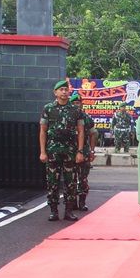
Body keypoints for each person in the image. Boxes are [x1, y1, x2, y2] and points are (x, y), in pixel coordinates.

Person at [39, 78, 86, 221]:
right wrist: (42, 151)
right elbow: (43, 131)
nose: (64, 92)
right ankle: (53, 211)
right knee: (52, 182)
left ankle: (69, 211)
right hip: (53, 151)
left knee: (70, 182)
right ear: (55, 92)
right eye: (61, 90)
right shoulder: (48, 108)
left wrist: (80, 151)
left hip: (70, 151)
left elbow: (81, 131)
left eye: (66, 90)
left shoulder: (75, 110)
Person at [73, 92, 96, 211]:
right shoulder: (68, 117)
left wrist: (92, 151)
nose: (77, 105)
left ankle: (82, 202)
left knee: (83, 178)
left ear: (82, 104)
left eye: (79, 103)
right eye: (74, 103)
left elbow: (93, 134)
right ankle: (72, 203)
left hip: (85, 152)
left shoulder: (87, 118)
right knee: (70, 179)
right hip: (70, 152)